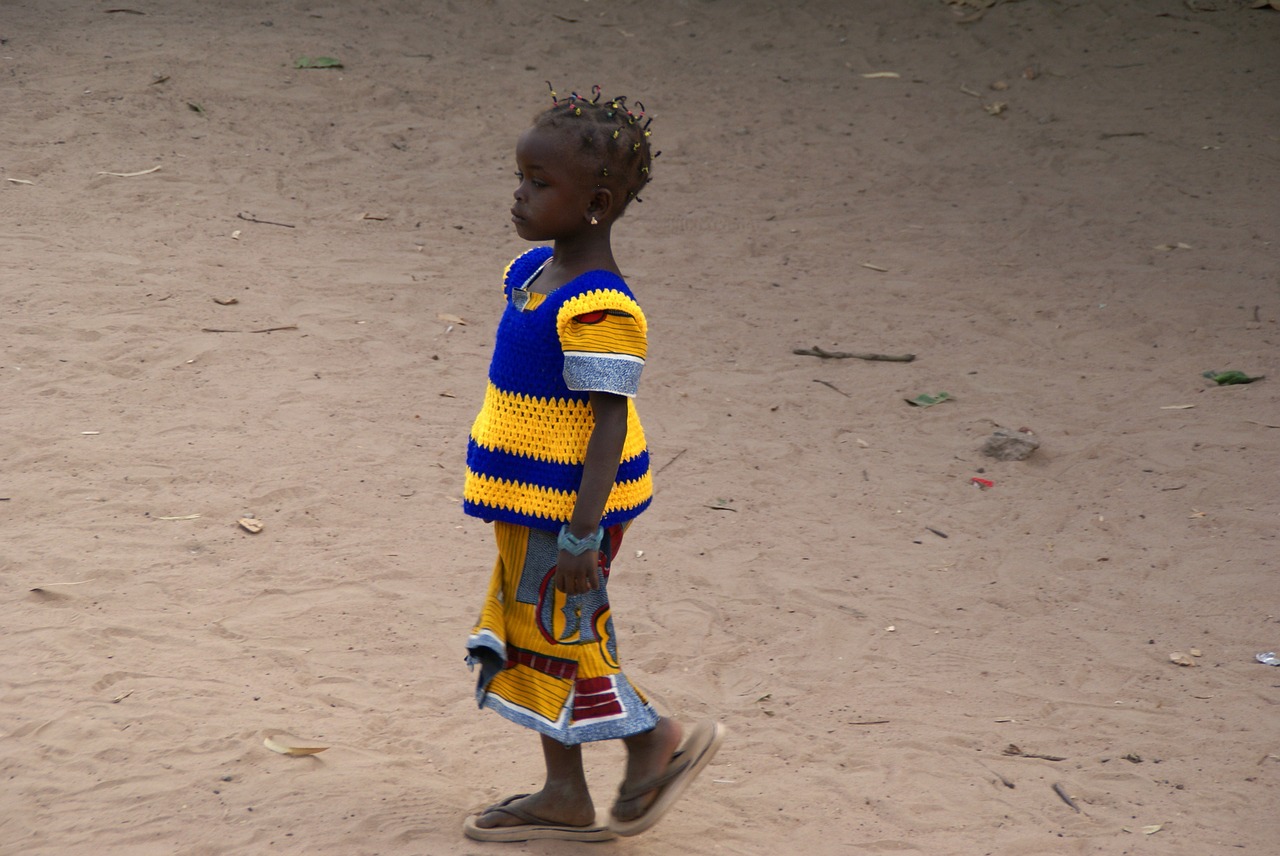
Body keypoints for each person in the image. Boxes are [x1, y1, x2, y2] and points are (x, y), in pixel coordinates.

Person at [460, 86, 724, 842]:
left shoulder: (600, 306)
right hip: (527, 500)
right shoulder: (529, 275)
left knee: (567, 633)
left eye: (540, 185)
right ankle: (565, 795)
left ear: (598, 203)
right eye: (521, 176)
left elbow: (609, 424)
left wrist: (582, 536)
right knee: (540, 637)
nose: (519, 193)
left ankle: (652, 740)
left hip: (572, 510)